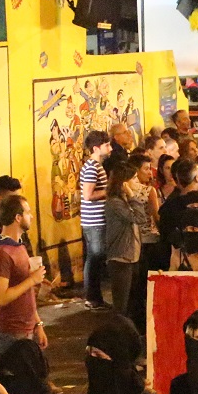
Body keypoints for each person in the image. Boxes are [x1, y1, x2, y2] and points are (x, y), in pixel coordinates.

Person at [0, 195, 48, 358]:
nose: (32, 216)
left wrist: (38, 323)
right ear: (18, 217)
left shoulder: (18, 246)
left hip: (25, 330)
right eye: (28, 212)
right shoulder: (1, 253)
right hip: (10, 334)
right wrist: (31, 280)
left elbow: (23, 288)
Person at [103, 160, 144, 320]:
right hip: (121, 258)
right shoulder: (115, 203)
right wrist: (133, 195)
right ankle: (117, 331)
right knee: (121, 305)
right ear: (124, 183)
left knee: (133, 302)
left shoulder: (124, 201)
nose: (137, 182)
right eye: (134, 178)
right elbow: (139, 218)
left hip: (132, 257)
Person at [80, 131, 114, 310]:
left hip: (95, 220)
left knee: (95, 258)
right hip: (94, 222)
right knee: (94, 259)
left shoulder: (95, 166)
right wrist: (110, 190)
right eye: (106, 145)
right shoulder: (92, 167)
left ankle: (95, 297)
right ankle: (92, 298)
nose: (110, 148)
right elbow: (88, 195)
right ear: (95, 148)